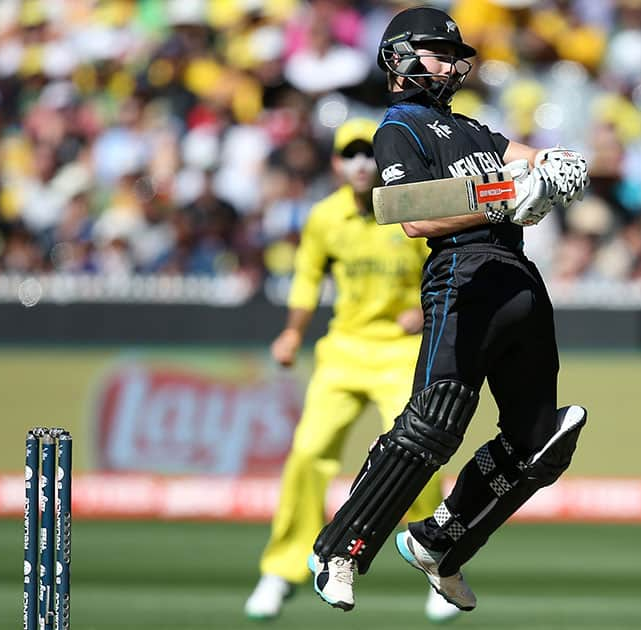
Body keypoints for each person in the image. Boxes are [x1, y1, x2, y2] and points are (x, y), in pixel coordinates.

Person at [308, 6, 590, 614]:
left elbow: (534, 159)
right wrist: (503, 196)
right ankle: (340, 550)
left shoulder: (475, 130)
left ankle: (440, 545)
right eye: (439, 51)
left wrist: (559, 166)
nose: (452, 63)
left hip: (519, 279)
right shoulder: (399, 126)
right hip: (461, 275)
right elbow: (410, 212)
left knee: (542, 441)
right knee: (433, 425)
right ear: (403, 57)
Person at [244, 118, 461, 623]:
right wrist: (293, 332)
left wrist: (426, 313)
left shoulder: (406, 205)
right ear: (337, 164)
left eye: (371, 153)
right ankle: (282, 570)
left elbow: (448, 265)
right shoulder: (324, 217)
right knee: (308, 452)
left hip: (399, 352)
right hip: (343, 351)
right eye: (351, 154)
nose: (363, 163)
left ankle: (437, 561)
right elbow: (307, 279)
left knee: (415, 455)